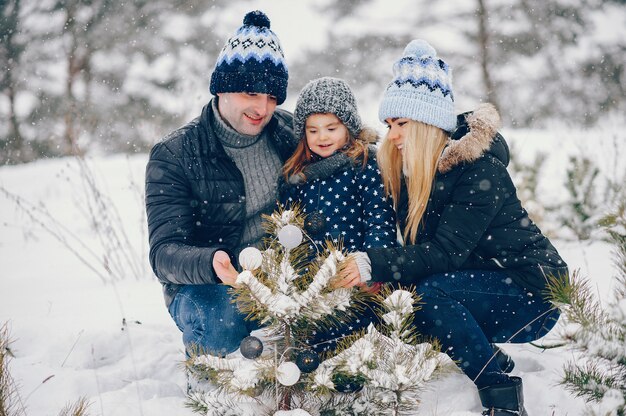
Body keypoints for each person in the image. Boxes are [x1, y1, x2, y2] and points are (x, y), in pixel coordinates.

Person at [336, 39, 569, 416]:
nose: (392, 135)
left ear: (429, 123)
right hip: (484, 282)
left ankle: (501, 395)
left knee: (427, 296)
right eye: (389, 124)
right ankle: (492, 360)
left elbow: (446, 253)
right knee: (409, 296)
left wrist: (373, 263)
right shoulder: (415, 172)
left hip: (534, 295)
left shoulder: (479, 171)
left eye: (402, 124)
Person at [145, 10, 297, 358]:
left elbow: (348, 147)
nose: (263, 107)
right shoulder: (176, 153)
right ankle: (211, 386)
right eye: (250, 93)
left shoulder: (290, 134)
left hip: (282, 274)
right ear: (222, 88)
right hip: (209, 283)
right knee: (222, 318)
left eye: (272, 97)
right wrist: (212, 260)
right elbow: (163, 253)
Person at [279, 77, 398, 351]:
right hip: (312, 281)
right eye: (313, 130)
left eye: (331, 128)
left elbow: (378, 216)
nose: (322, 137)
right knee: (310, 339)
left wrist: (374, 265)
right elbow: (287, 226)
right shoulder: (297, 173)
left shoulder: (364, 164)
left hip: (355, 276)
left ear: (348, 127)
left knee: (351, 334)